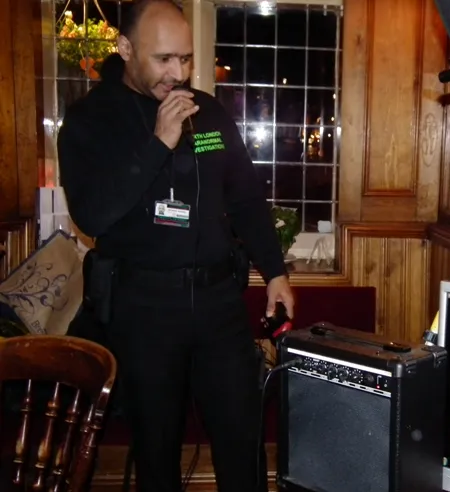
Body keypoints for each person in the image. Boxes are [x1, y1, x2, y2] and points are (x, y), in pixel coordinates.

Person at [56, 1, 294, 491]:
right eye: (164, 59)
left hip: (218, 305)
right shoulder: (89, 120)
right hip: (143, 309)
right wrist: (159, 142)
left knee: (241, 441)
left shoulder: (207, 113)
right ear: (125, 49)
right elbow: (93, 215)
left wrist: (275, 273)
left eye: (185, 59)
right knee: (156, 451)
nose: (178, 73)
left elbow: (247, 199)